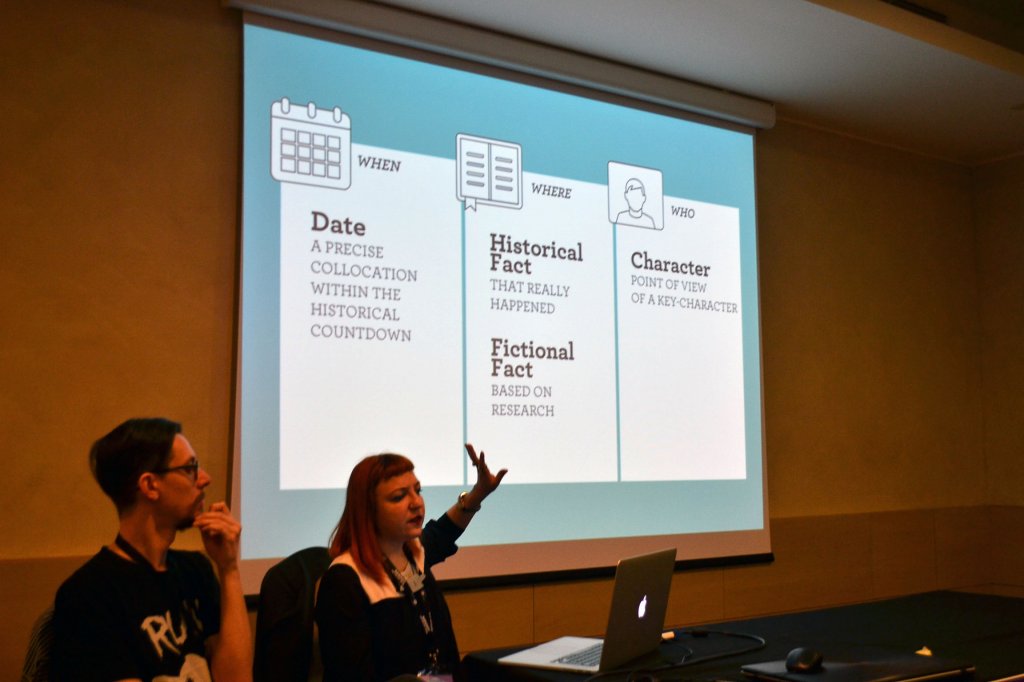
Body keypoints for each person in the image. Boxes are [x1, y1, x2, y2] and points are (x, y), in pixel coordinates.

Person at [50, 417, 252, 682]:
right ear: (150, 486)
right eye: (191, 468)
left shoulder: (196, 571)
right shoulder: (89, 593)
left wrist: (229, 568)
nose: (205, 479)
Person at [315, 444, 507, 682]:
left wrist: (479, 493)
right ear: (368, 510)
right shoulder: (345, 580)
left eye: (418, 491)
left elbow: (442, 532)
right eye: (399, 497)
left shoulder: (412, 554)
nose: (416, 503)